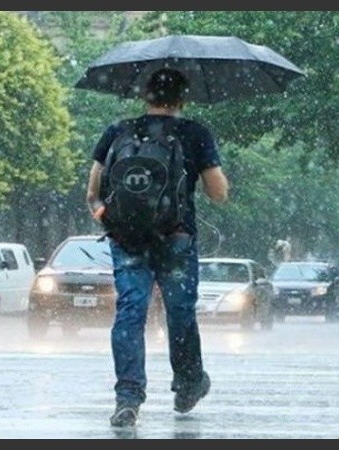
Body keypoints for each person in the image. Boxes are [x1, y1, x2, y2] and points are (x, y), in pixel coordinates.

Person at [86, 68, 229, 427]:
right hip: (177, 238)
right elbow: (219, 194)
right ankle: (188, 382)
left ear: (143, 96)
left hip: (127, 240)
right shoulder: (194, 133)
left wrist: (113, 221)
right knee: (179, 313)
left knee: (130, 313)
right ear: (183, 99)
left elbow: (92, 193)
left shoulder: (118, 131)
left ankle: (128, 397)